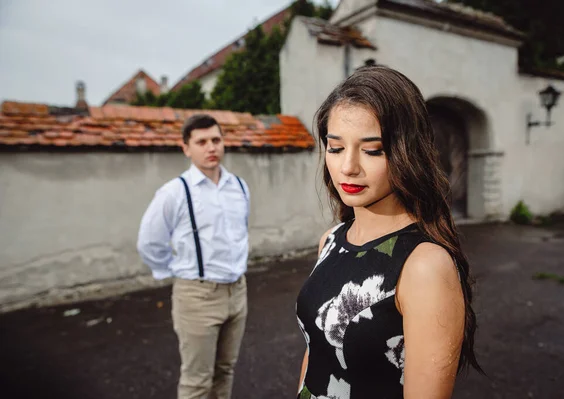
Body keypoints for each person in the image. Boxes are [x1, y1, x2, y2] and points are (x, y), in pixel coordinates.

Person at [295, 65, 482, 399]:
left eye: (372, 150)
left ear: (408, 153)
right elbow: (316, 351)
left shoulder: (424, 266)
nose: (348, 167)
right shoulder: (331, 240)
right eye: (335, 148)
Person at [137, 114, 250, 399]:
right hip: (197, 296)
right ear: (186, 148)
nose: (210, 147)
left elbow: (238, 234)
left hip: (237, 291)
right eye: (201, 142)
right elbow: (149, 242)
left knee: (226, 370)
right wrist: (172, 272)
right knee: (197, 382)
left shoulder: (239, 186)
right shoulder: (174, 192)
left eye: (216, 140)